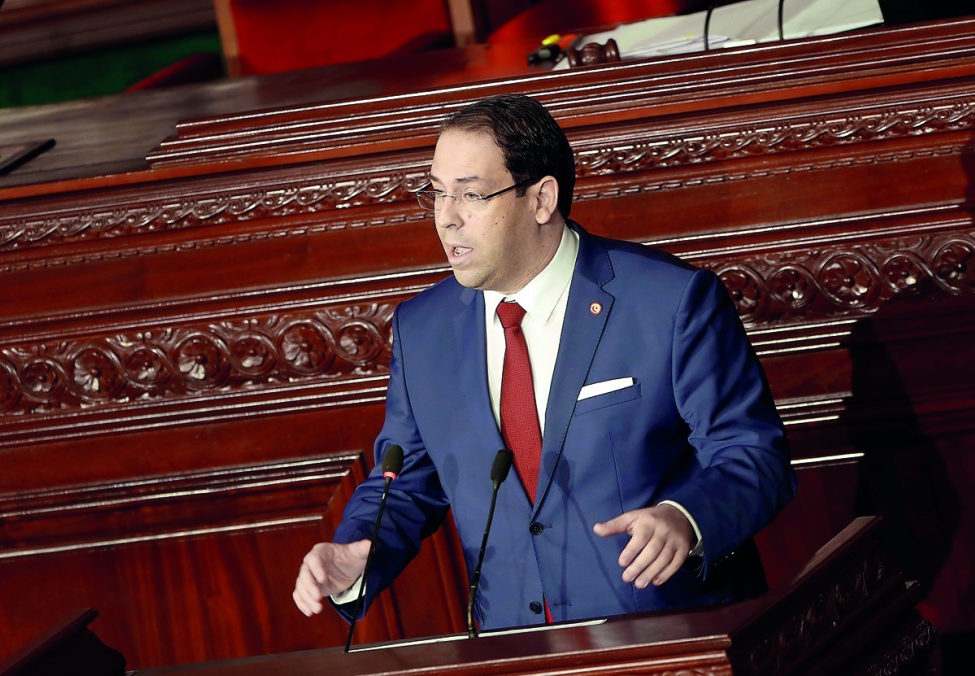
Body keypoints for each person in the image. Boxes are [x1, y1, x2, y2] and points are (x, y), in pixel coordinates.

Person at [292, 93, 796, 632]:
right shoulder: (424, 329)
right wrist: (354, 551)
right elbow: (406, 479)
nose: (446, 219)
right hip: (514, 646)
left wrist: (686, 518)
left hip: (671, 635)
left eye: (471, 196)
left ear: (541, 199)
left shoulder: (669, 301)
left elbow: (753, 455)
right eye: (436, 193)